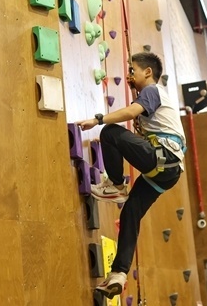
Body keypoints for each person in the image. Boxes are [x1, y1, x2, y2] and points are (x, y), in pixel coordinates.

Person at [77, 52, 186, 299]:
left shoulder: (152, 90)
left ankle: (116, 185)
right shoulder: (154, 98)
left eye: (132, 70)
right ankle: (119, 274)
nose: (129, 75)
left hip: (163, 157)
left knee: (110, 132)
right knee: (130, 213)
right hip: (170, 172)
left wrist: (98, 119)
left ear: (148, 72)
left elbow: (129, 112)